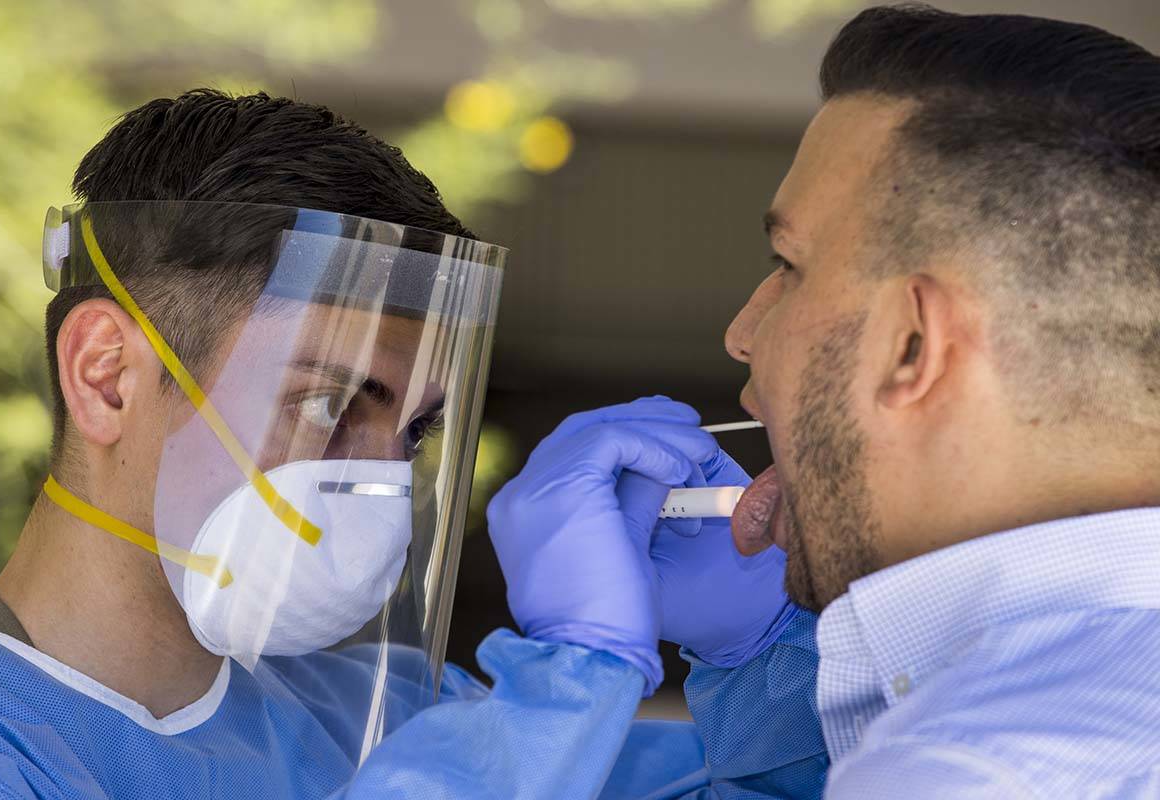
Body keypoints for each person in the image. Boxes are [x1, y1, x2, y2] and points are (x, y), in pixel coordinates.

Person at [0, 90, 727, 799]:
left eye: (416, 431)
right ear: (107, 378)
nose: (384, 481)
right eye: (327, 402)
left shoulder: (386, 717)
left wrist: (759, 655)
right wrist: (573, 678)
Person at [487, 5, 1160, 798]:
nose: (743, 334)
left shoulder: (974, 771)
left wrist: (569, 678)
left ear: (913, 343)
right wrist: (769, 659)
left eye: (789, 265)